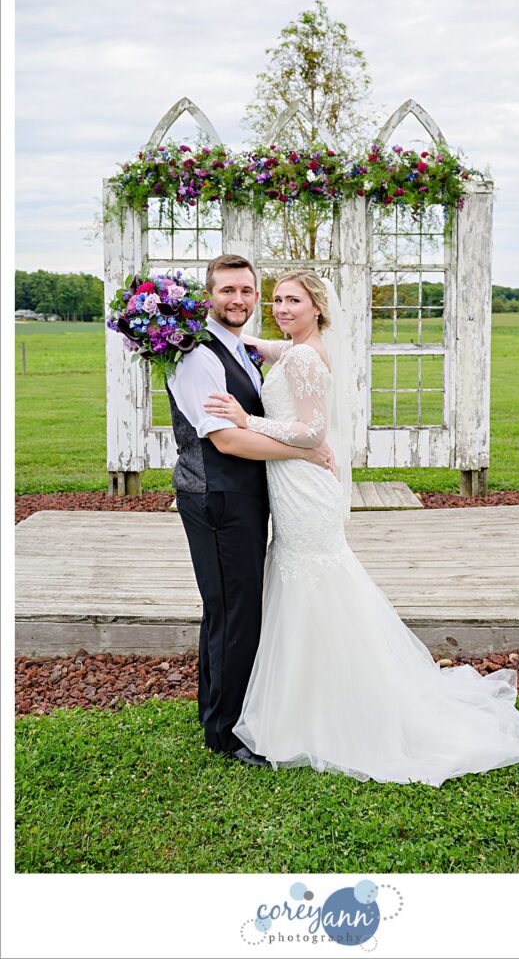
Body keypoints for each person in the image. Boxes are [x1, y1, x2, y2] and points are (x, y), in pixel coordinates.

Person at [203, 269, 519, 787]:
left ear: (318, 307)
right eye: (275, 300)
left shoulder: (303, 356)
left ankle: (325, 705)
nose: (281, 309)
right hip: (295, 482)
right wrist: (235, 337)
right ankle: (313, 694)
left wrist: (246, 420)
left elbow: (312, 430)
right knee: (302, 579)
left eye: (293, 301)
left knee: (313, 580)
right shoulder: (298, 349)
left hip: (302, 481)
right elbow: (274, 350)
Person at [166, 255, 334, 767]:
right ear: (209, 296)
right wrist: (305, 451)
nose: (238, 300)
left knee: (231, 608)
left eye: (246, 291)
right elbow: (228, 440)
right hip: (216, 496)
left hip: (242, 497)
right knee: (234, 612)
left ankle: (220, 712)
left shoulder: (240, 349)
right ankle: (224, 732)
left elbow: (297, 355)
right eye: (227, 291)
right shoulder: (198, 355)